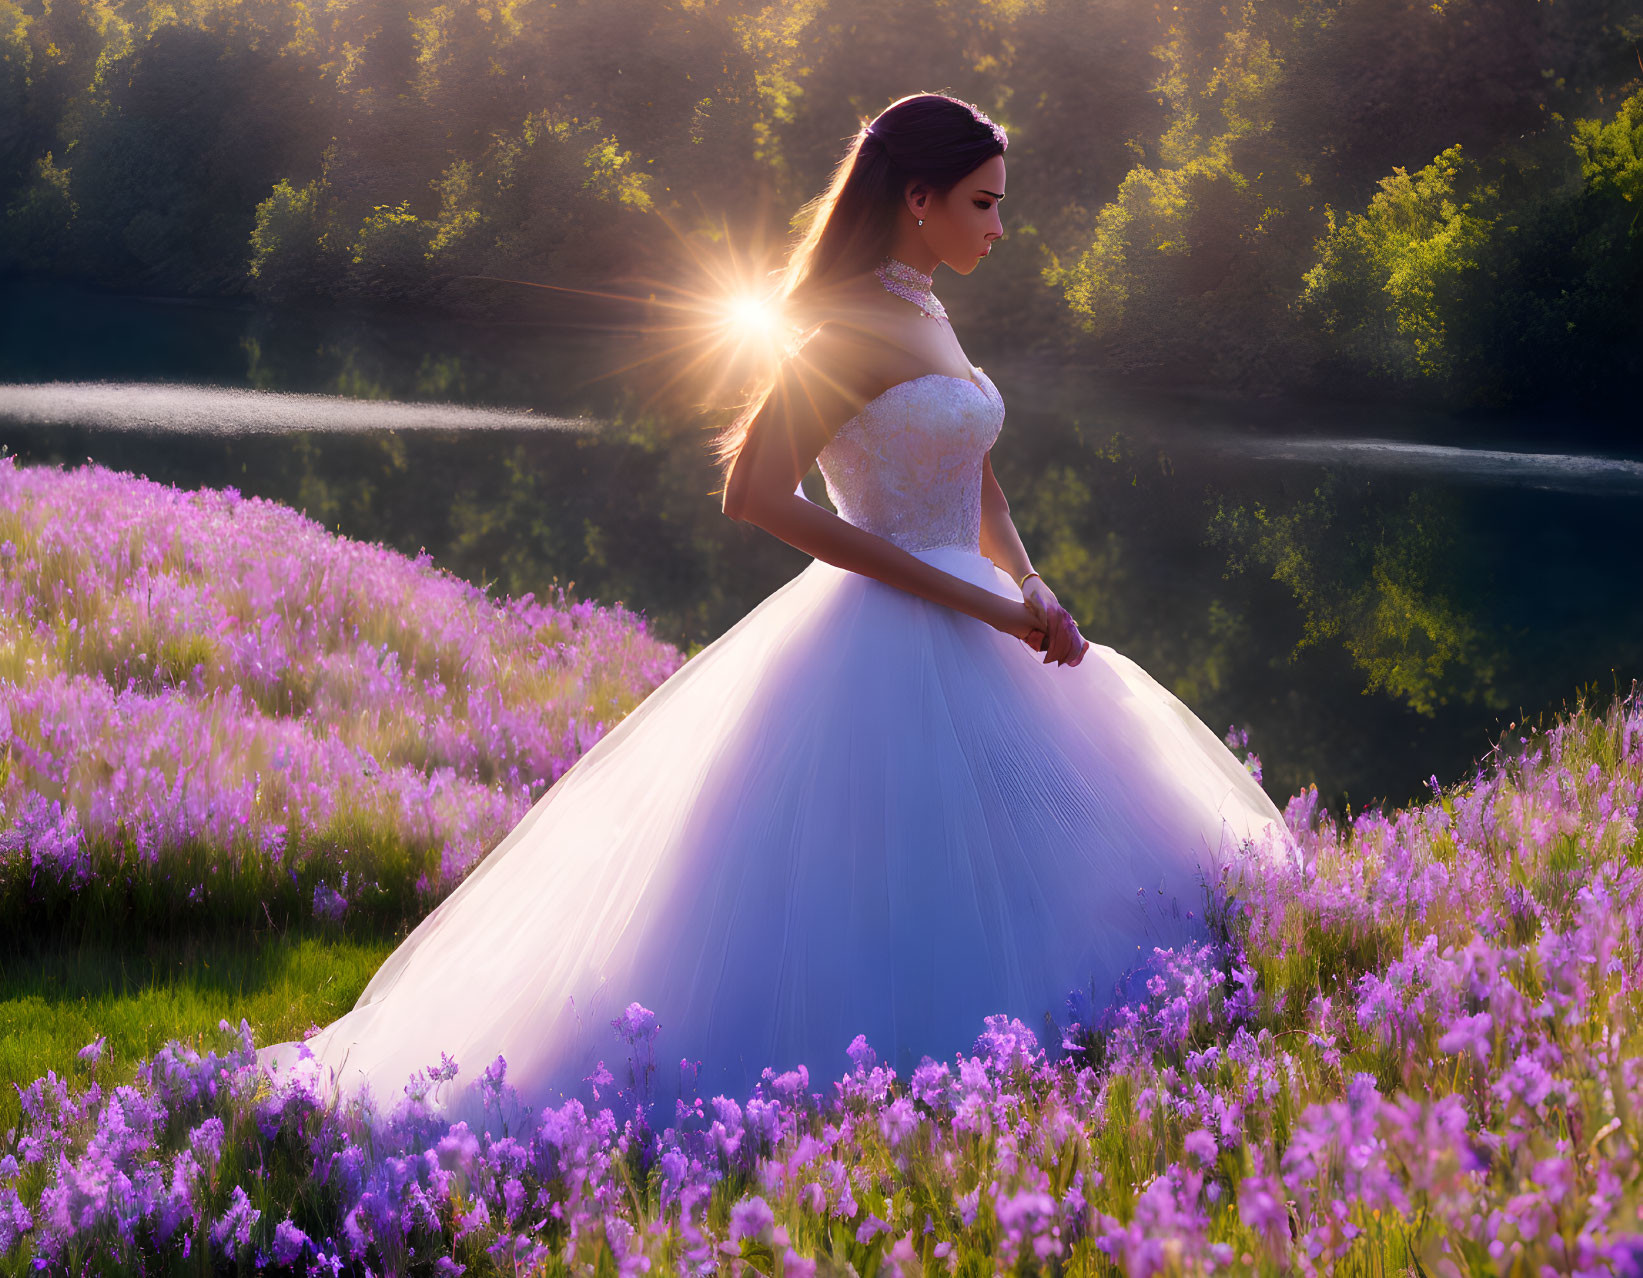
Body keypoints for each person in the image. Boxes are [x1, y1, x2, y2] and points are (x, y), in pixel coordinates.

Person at [259, 92, 1294, 1130]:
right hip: (884, 628)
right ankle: (853, 1107)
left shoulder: (927, 307)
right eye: (982, 204)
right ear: (917, 198)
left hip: (983, 610)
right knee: (851, 874)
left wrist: (1026, 585)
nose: (997, 227)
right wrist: (953, 593)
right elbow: (754, 493)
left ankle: (1043, 1084)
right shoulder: (845, 326)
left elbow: (973, 473)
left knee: (1050, 859)